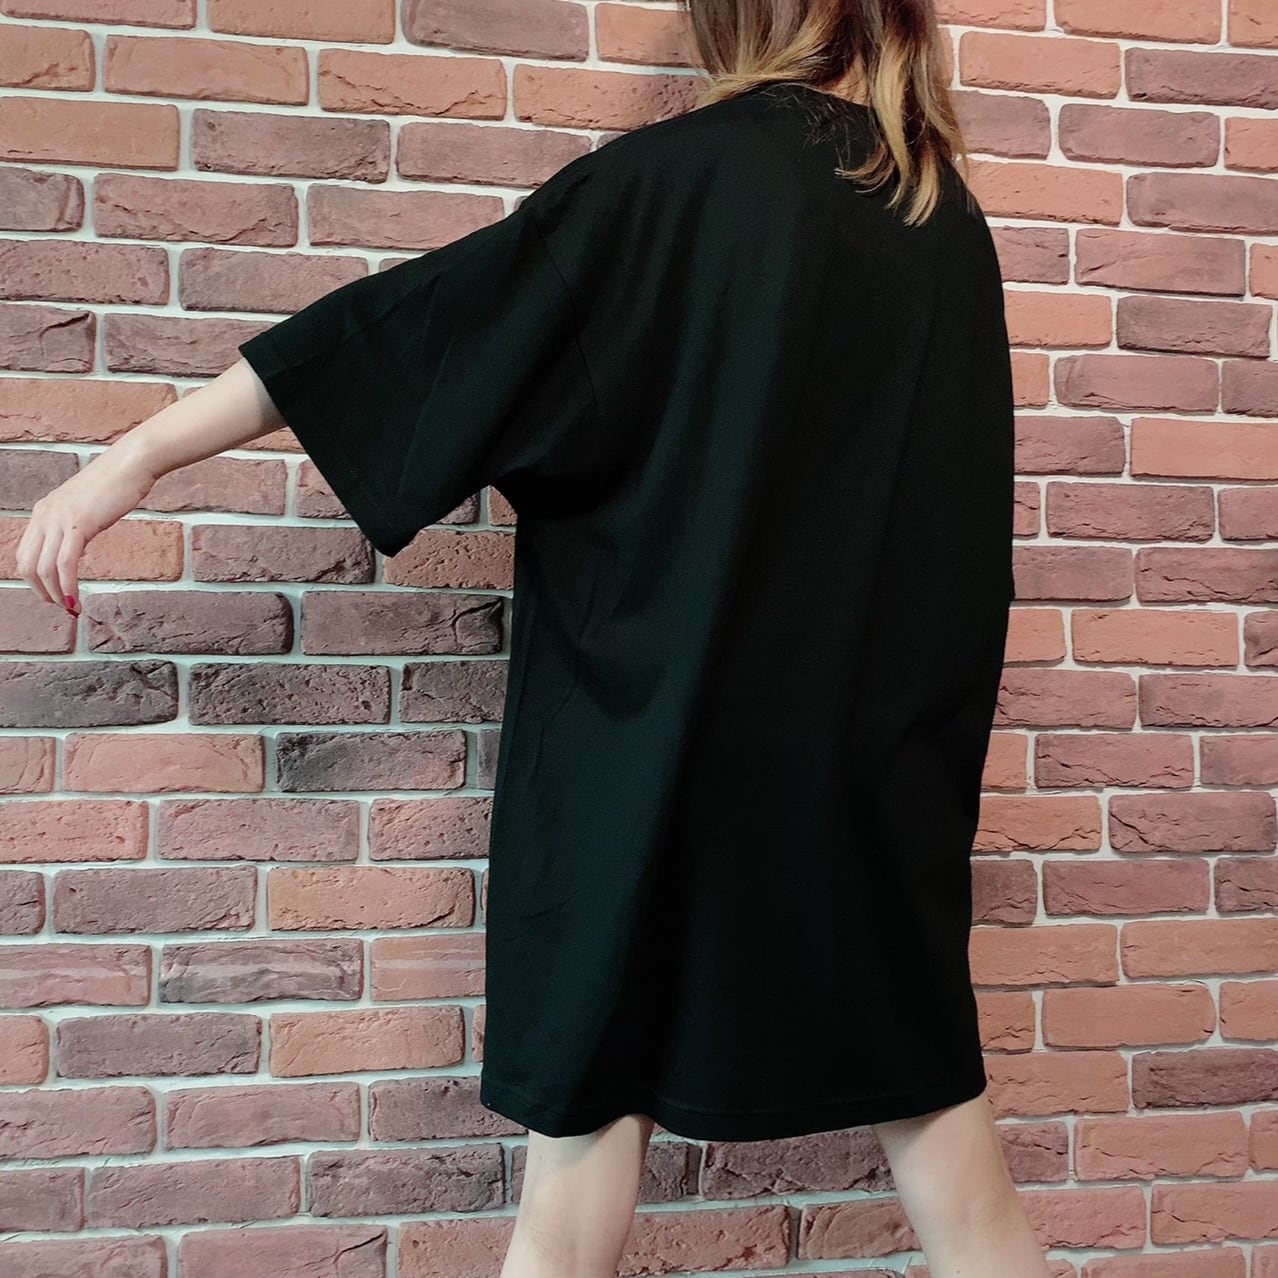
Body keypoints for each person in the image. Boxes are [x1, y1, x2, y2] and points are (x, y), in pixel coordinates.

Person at [16, 1, 1044, 1274]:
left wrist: (138, 454)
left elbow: (426, 332)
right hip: (864, 777)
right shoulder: (939, 218)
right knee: (956, 1172)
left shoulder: (676, 184)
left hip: (644, 765)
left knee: (571, 1189)